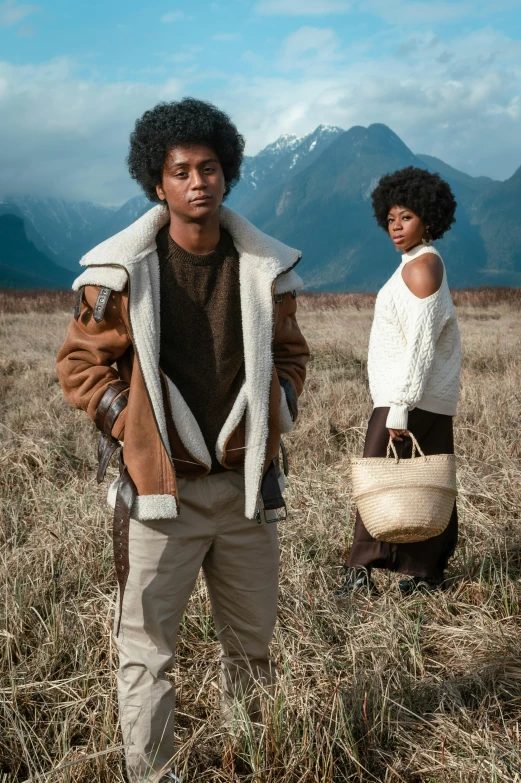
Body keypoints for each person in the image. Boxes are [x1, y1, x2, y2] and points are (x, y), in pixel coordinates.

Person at [56, 98, 309, 783]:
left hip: (246, 493)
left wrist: (279, 403)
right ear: (156, 182)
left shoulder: (264, 269)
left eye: (209, 167)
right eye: (181, 170)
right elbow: (78, 363)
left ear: (227, 175)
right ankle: (154, 776)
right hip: (158, 497)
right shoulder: (121, 273)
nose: (197, 180)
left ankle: (249, 762)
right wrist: (127, 421)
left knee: (252, 648)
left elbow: (291, 354)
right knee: (145, 653)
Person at [335, 166, 461, 598]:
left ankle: (359, 573)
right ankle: (428, 575)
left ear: (427, 217)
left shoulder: (423, 267)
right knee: (428, 483)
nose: (395, 227)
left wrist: (400, 405)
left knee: (379, 482)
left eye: (405, 217)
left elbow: (420, 346)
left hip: (409, 398)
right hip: (424, 397)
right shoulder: (418, 263)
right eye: (390, 218)